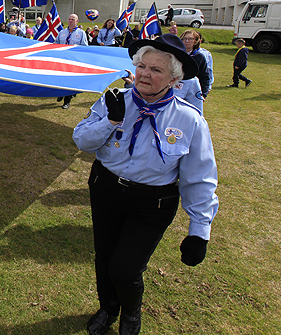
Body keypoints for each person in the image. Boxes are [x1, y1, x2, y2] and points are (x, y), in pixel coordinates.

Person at [73, 33, 218, 335]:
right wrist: (110, 122)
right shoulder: (114, 101)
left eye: (156, 70)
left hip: (153, 203)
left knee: (125, 268)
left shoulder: (189, 120)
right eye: (142, 66)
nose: (144, 74)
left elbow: (200, 178)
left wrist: (199, 230)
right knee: (105, 258)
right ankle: (108, 308)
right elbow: (82, 141)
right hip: (106, 190)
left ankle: (131, 315)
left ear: (173, 80)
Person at [55, 14, 89, 109]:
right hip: (62, 59)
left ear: (77, 21)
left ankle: (67, 100)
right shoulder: (62, 32)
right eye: (69, 19)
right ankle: (60, 93)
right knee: (61, 78)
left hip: (73, 60)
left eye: (73, 19)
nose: (70, 21)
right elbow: (56, 43)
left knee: (69, 80)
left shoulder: (81, 33)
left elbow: (84, 47)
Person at [180, 30, 212, 98]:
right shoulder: (175, 54)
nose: (187, 41)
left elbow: (204, 76)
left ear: (195, 41)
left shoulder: (199, 57)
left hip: (193, 90)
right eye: (184, 38)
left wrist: (204, 94)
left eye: (190, 39)